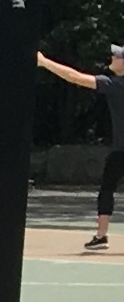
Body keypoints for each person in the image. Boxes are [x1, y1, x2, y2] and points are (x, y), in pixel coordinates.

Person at [35, 38, 124, 250]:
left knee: (107, 189)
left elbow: (76, 77)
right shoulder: (115, 83)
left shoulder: (116, 85)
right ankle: (101, 236)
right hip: (119, 149)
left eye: (118, 56)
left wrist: (45, 62)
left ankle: (101, 235)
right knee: (106, 188)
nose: (113, 57)